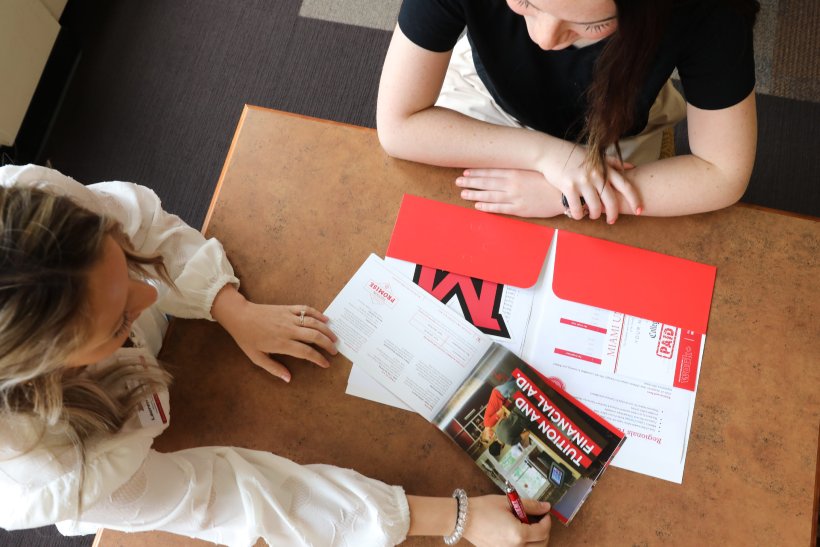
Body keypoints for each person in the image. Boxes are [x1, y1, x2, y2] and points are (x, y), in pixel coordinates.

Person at [0, 164, 552, 546]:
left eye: (124, 264)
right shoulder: (53, 474)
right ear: (48, 378)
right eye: (120, 318)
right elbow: (243, 496)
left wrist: (228, 306)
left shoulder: (30, 216)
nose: (148, 294)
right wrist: (454, 517)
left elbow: (146, 229)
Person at [377, 0, 759, 224]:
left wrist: (564, 195)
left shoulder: (709, 10)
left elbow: (723, 172)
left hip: (616, 132)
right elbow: (399, 124)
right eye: (525, 2)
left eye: (591, 24)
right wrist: (548, 157)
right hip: (484, 95)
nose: (543, 38)